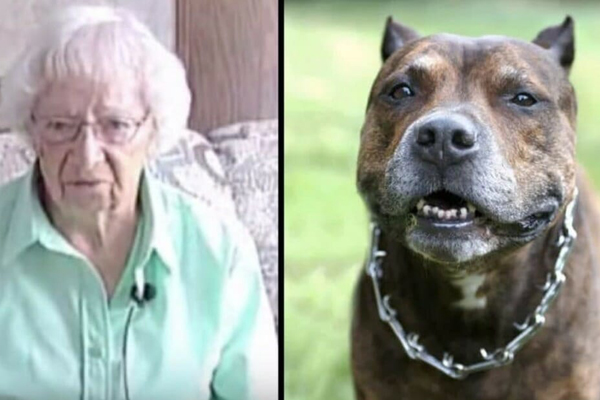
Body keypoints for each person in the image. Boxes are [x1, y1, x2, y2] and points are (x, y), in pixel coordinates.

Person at [0, 5, 277, 400]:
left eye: (115, 125)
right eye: (61, 126)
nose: (87, 155)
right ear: (33, 133)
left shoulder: (219, 251)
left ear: (154, 132)